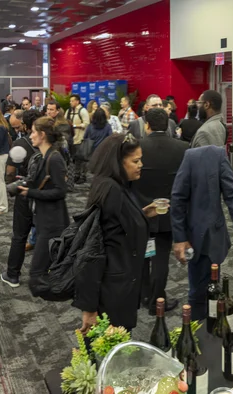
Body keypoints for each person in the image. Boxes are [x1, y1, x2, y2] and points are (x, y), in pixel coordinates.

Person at [75, 133, 159, 332]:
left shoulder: (118, 186)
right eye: (135, 161)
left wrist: (142, 215)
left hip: (121, 285)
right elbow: (92, 250)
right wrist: (88, 308)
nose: (141, 165)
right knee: (106, 352)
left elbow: (116, 227)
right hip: (111, 291)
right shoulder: (110, 191)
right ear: (118, 162)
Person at [171, 145, 233, 320]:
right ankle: (196, 334)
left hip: (213, 237)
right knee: (198, 293)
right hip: (196, 236)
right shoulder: (192, 156)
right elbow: (178, 198)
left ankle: (212, 331)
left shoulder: (217, 154)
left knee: (213, 286)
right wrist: (180, 238)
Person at [133, 109, 189, 313]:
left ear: (147, 125)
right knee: (160, 258)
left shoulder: (136, 147)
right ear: (168, 125)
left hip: (140, 210)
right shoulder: (182, 148)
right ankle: (157, 299)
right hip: (167, 210)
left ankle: (143, 295)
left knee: (141, 255)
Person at [16, 116, 70, 296]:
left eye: (33, 132)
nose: (30, 136)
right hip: (45, 219)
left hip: (52, 222)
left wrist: (30, 192)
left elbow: (60, 191)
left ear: (42, 135)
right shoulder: (46, 157)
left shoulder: (54, 158)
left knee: (37, 274)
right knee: (41, 271)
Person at [1, 109, 41, 287]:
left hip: (25, 195)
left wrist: (13, 185)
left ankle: (13, 275)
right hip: (47, 197)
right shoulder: (51, 142)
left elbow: (9, 173)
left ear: (24, 124)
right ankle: (42, 275)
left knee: (19, 236)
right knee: (45, 236)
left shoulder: (20, 144)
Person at [66, 95, 89, 182]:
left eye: (72, 101)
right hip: (71, 139)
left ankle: (83, 176)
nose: (70, 102)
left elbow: (87, 124)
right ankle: (76, 174)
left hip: (80, 138)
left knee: (81, 158)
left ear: (77, 101)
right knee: (74, 158)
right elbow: (65, 121)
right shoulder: (68, 111)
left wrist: (75, 126)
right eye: (70, 101)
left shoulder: (83, 111)